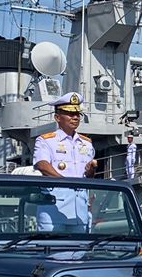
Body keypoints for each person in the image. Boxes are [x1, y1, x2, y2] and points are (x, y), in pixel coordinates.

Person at [32, 92, 99, 231]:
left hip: (80, 210)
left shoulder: (86, 143)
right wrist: (66, 183)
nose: (75, 117)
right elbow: (42, 165)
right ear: (57, 117)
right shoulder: (46, 141)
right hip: (54, 210)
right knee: (52, 251)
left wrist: (91, 170)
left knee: (80, 251)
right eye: (69, 113)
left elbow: (88, 177)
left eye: (77, 114)